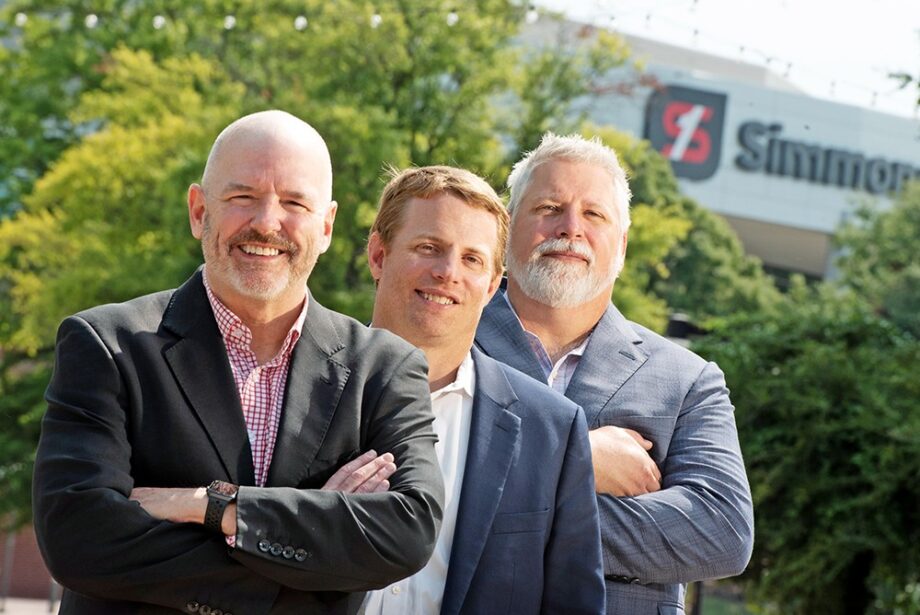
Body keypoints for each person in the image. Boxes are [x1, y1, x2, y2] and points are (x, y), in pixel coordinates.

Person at [32, 110, 444, 615]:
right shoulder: (107, 345)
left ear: (327, 226)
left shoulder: (383, 369)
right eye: (243, 197)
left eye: (294, 202)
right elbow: (78, 537)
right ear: (199, 210)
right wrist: (317, 549)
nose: (267, 223)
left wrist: (211, 507)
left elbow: (407, 531)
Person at [474, 133, 755, 614]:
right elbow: (413, 484)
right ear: (507, 228)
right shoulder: (446, 343)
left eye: (594, 214)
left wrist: (515, 513)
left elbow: (721, 530)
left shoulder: (689, 382)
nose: (570, 228)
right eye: (549, 208)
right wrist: (580, 460)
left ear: (621, 246)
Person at [361, 165, 605, 614]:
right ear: (379, 255)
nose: (448, 272)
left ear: (493, 284)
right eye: (428, 248)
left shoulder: (551, 431)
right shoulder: (300, 384)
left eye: (472, 259)